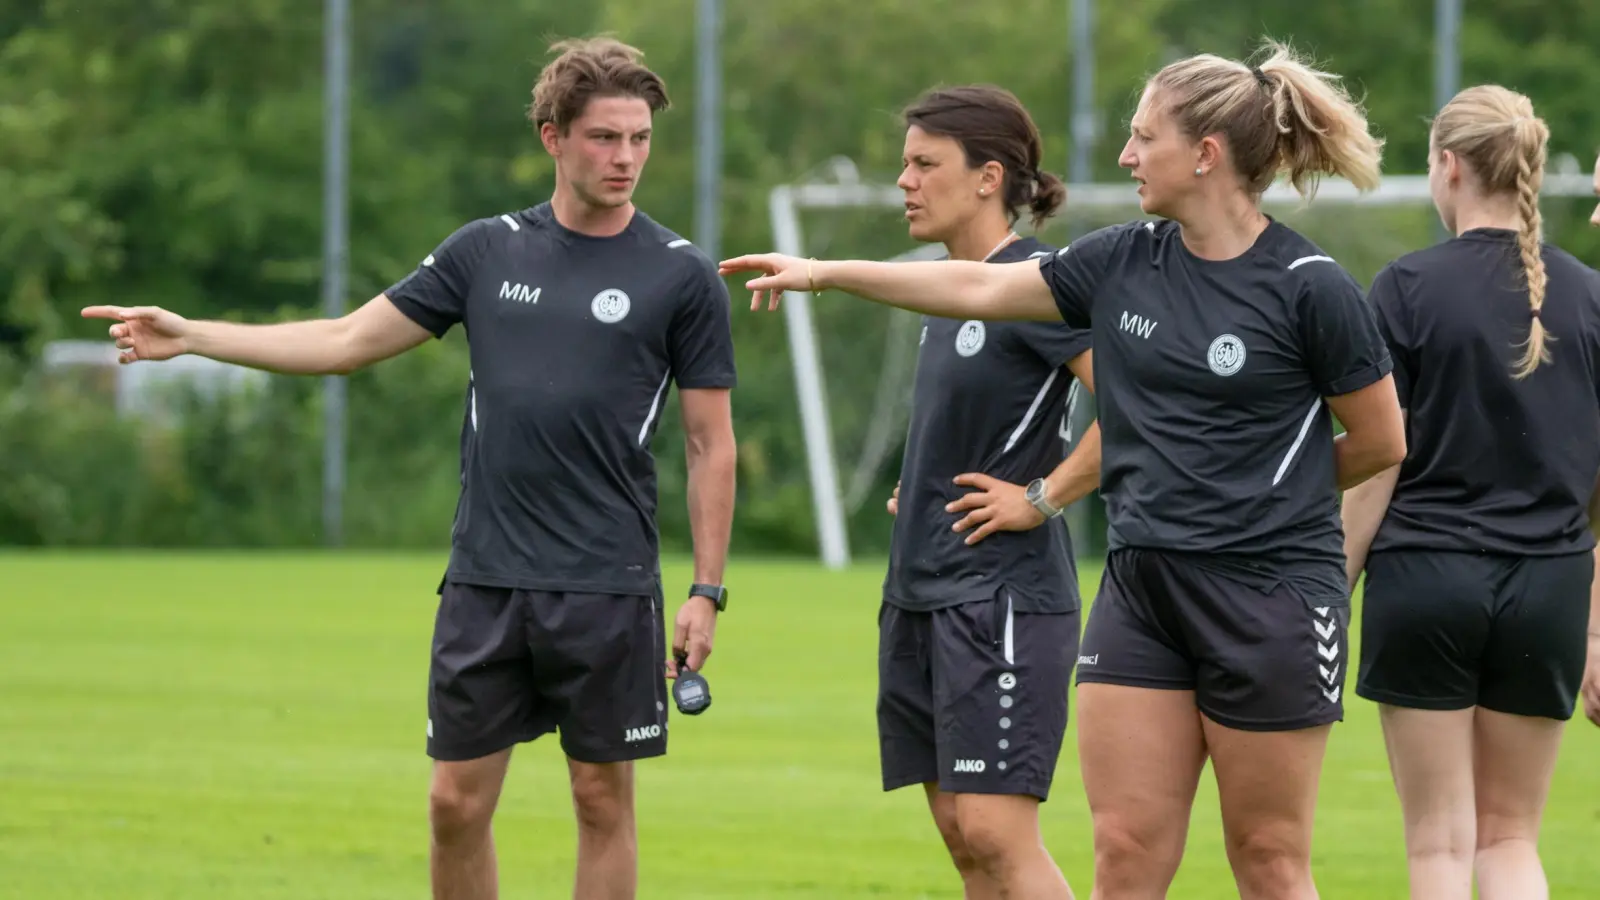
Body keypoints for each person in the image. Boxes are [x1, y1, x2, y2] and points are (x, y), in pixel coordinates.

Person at [723, 39, 1408, 900]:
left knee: (1267, 859)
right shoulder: (1121, 260)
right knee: (1122, 853)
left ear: (1205, 154)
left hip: (1269, 596)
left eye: (1143, 137)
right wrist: (822, 274)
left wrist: (1252, 497)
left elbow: (1380, 442)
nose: (1125, 156)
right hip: (1143, 590)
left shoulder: (1310, 287)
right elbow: (980, 289)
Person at [83, 37, 737, 900]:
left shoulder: (681, 274)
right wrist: (195, 336)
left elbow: (709, 443)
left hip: (606, 585)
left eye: (640, 139)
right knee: (452, 806)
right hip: (485, 581)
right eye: (604, 138)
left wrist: (706, 589)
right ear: (552, 137)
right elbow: (345, 341)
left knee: (600, 799)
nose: (625, 158)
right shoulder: (486, 252)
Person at [1339, 85, 1600, 900]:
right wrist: (1596, 627)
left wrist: (1327, 592)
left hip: (1426, 580)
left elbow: (1377, 463)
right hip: (1551, 587)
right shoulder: (1592, 296)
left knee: (1439, 847)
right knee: (1511, 839)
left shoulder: (1405, 287)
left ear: (1448, 166)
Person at [877, 84, 1100, 900]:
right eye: (905, 163)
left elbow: (1136, 410)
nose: (904, 181)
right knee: (963, 839)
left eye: (924, 163)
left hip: (1002, 599)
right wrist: (920, 488)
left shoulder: (1034, 283)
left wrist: (1041, 497)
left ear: (987, 177)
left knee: (996, 834)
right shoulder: (946, 288)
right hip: (920, 591)